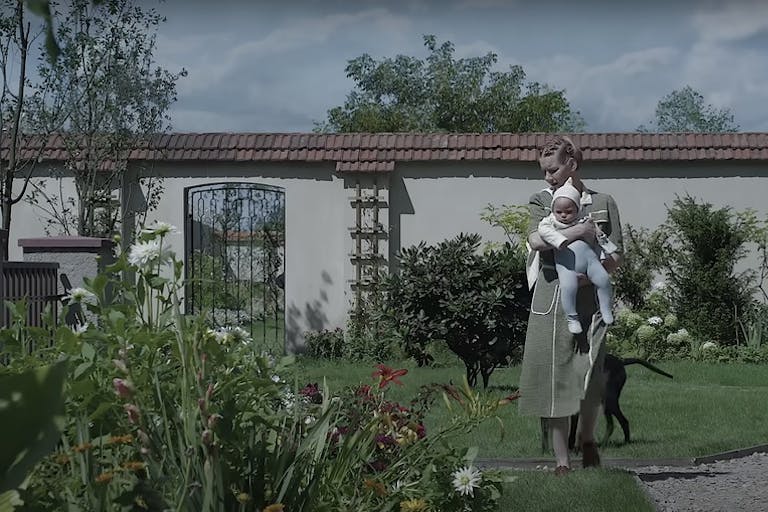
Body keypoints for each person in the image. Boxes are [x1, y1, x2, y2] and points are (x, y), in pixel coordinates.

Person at [518, 135, 623, 475]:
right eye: (544, 171)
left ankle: (587, 439)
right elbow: (536, 240)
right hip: (551, 297)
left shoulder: (602, 203)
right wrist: (578, 232)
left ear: (572, 165)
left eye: (553, 170)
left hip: (591, 300)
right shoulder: (541, 201)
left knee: (589, 376)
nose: (548, 177)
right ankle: (562, 461)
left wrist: (589, 277)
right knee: (556, 380)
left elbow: (616, 256)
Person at [537, 181, 617, 334]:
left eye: (569, 211)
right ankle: (572, 317)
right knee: (568, 287)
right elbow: (543, 231)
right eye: (559, 211)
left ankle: (606, 308)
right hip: (566, 265)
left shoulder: (584, 219)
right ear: (553, 210)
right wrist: (559, 240)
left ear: (577, 209)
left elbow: (597, 232)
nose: (563, 215)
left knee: (603, 279)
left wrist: (601, 238)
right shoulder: (550, 222)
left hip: (590, 260)